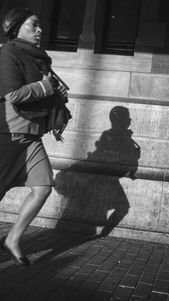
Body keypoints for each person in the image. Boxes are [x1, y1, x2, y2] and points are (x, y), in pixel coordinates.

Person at [0, 8, 70, 266]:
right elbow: (14, 95)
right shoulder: (8, 52)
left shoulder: (39, 59)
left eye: (40, 26)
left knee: (42, 187)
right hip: (9, 133)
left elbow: (42, 89)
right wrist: (46, 86)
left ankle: (12, 239)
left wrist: (56, 93)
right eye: (34, 25)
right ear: (17, 28)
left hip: (31, 135)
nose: (40, 30)